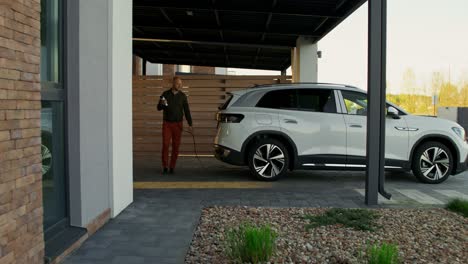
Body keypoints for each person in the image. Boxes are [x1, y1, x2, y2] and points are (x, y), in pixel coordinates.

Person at [157, 76, 193, 174]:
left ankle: (172, 167)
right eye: (177, 83)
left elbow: (187, 111)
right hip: (167, 124)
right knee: (165, 145)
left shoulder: (183, 96)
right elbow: (159, 108)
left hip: (178, 124)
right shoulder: (165, 94)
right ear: (173, 83)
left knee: (176, 146)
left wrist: (190, 124)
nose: (179, 85)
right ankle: (165, 166)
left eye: (180, 84)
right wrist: (162, 104)